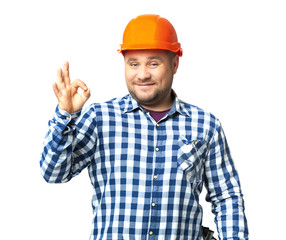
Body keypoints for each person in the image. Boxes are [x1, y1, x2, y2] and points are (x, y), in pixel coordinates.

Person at [40, 14, 248, 240]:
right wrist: (66, 116)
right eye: (134, 64)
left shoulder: (205, 125)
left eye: (153, 63)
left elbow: (227, 197)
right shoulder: (100, 118)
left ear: (175, 64)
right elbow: (53, 173)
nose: (143, 74)